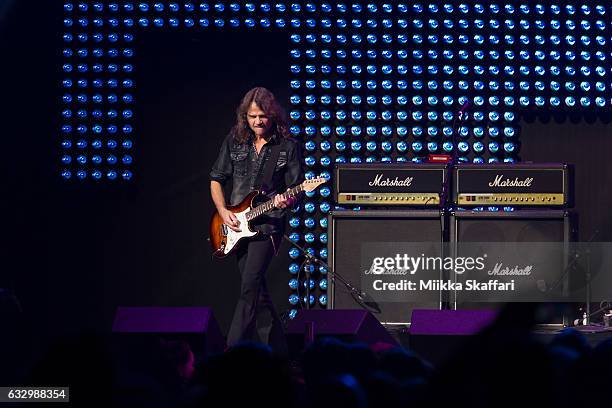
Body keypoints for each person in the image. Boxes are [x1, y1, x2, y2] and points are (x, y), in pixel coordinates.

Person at [209, 87, 304, 354]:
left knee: (249, 286)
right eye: (252, 117)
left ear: (272, 116)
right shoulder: (234, 141)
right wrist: (223, 210)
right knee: (258, 294)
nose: (257, 122)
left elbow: (295, 188)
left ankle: (231, 350)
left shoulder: (287, 146)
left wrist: (289, 199)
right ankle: (282, 353)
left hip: (268, 226)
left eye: (262, 116)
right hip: (236, 225)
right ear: (245, 117)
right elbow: (217, 178)